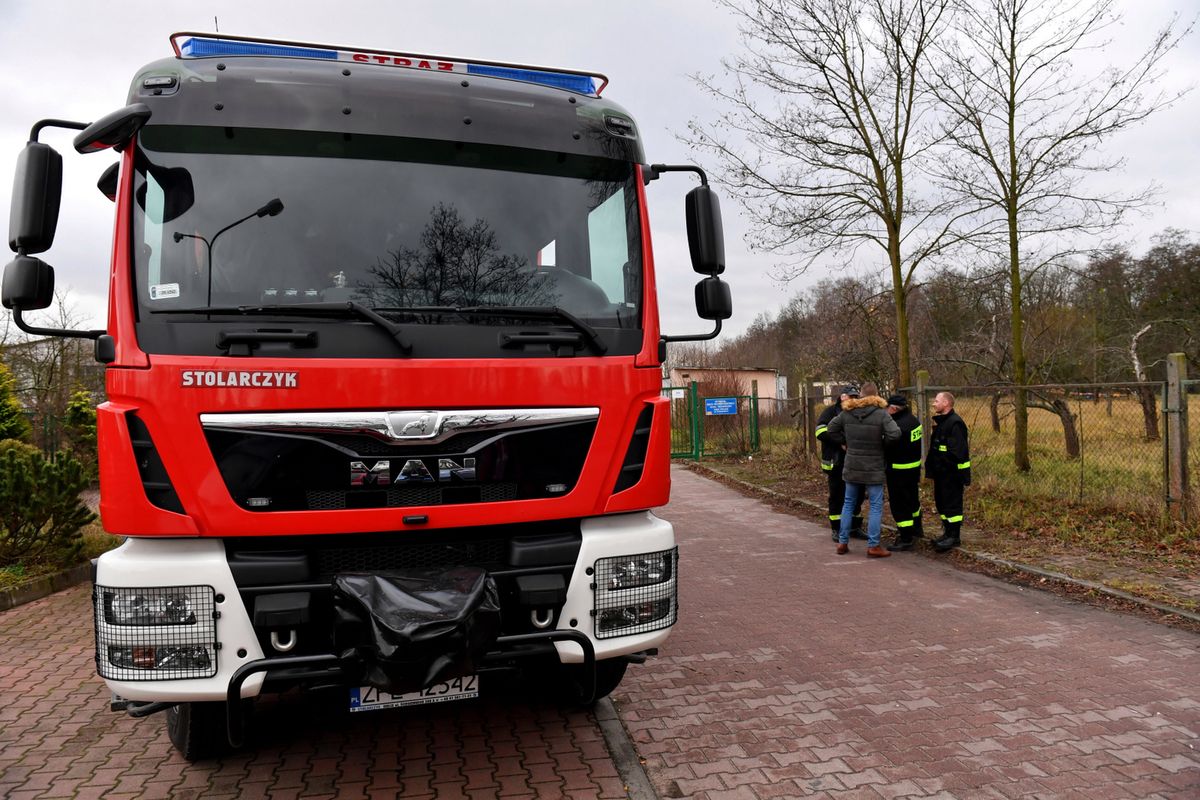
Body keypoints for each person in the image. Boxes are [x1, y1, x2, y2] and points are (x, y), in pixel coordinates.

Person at [826, 382, 901, 557]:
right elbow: (895, 434)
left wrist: (845, 442)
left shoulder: (847, 413)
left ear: (860, 395)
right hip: (874, 466)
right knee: (875, 506)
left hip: (852, 464)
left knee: (848, 503)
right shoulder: (881, 414)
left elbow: (831, 429)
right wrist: (882, 444)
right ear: (876, 395)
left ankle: (842, 542)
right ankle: (873, 546)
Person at [815, 386, 864, 541]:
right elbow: (820, 432)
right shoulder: (830, 412)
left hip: (856, 461)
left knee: (858, 495)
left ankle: (855, 527)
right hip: (835, 462)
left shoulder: (859, 412)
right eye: (852, 397)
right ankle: (836, 528)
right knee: (837, 496)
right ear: (843, 397)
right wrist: (841, 442)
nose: (854, 400)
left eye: (857, 397)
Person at [926, 391, 971, 552]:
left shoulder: (955, 423)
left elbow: (957, 452)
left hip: (952, 475)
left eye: (937, 400)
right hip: (941, 474)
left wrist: (943, 465)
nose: (933, 403)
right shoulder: (942, 422)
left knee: (952, 505)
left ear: (946, 403)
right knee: (942, 503)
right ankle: (947, 532)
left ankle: (954, 536)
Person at [884, 394, 924, 552]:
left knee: (899, 504)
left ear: (893, 409)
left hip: (898, 471)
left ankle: (906, 537)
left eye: (887, 408)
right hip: (913, 470)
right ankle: (917, 529)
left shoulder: (896, 426)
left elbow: (887, 446)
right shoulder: (913, 421)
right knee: (913, 501)